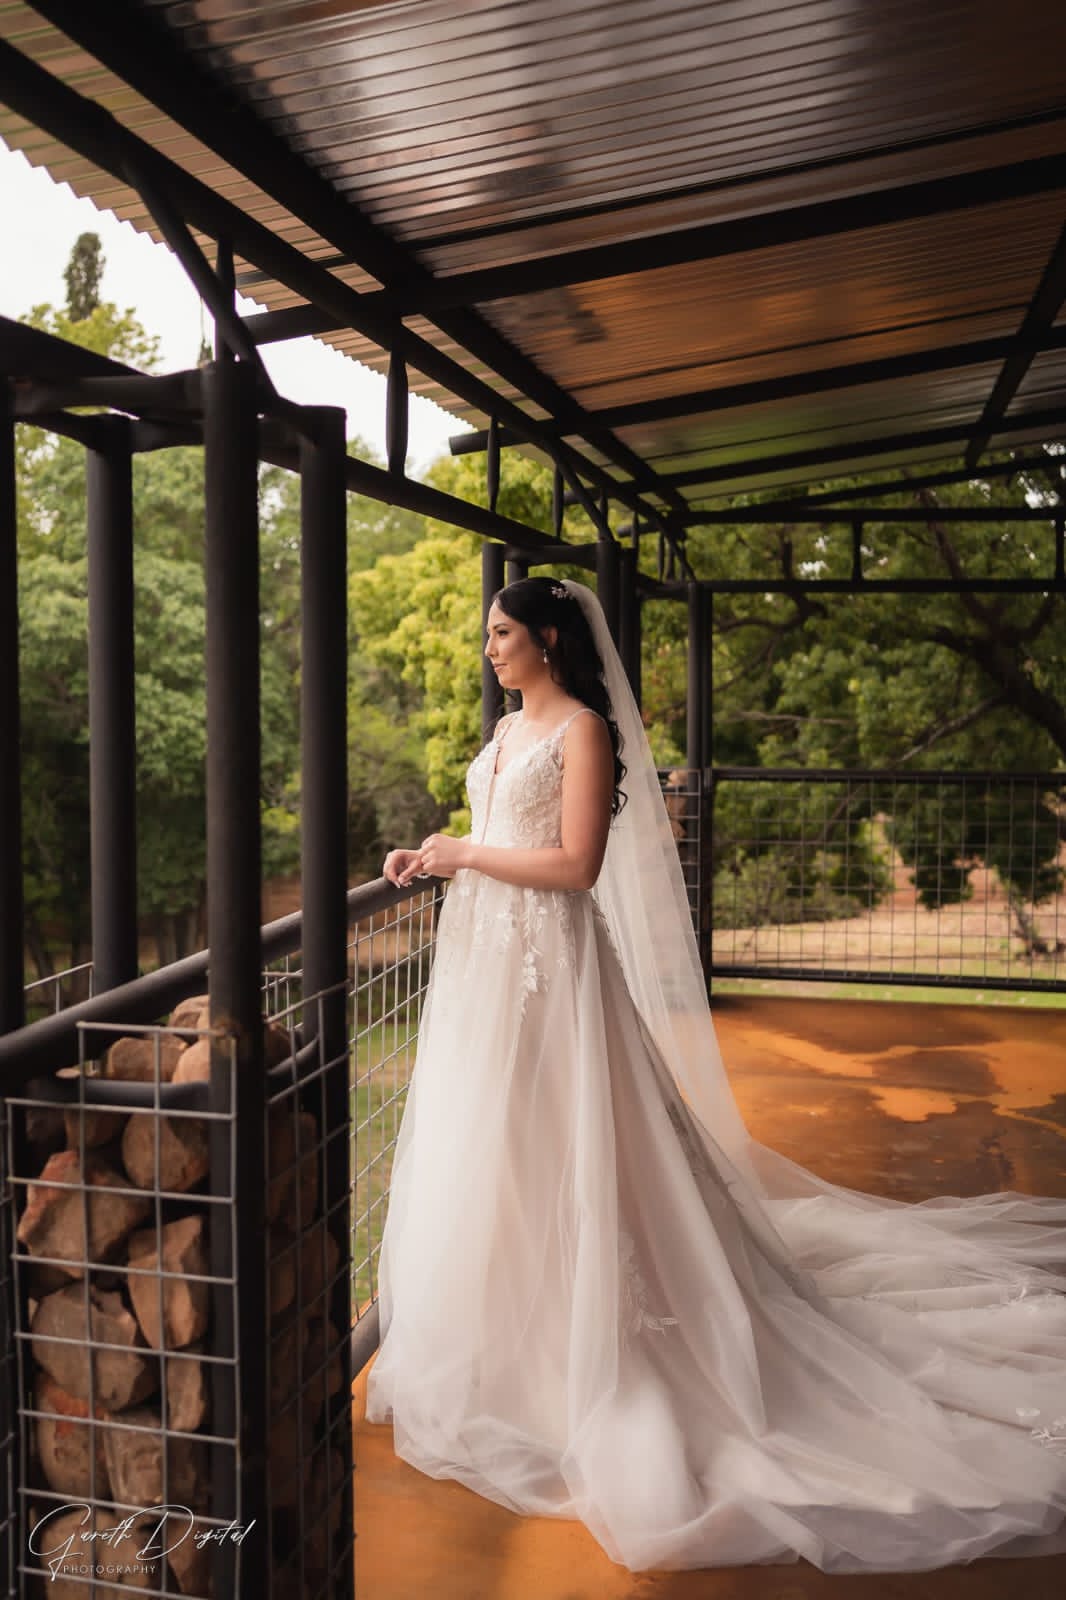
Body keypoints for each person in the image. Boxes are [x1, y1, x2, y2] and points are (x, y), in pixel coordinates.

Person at [365, 576, 1066, 1575]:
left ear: (550, 638)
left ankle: (599, 1351)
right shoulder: (508, 731)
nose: (489, 646)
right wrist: (430, 853)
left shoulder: (581, 731)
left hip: (554, 976)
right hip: (487, 970)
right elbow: (489, 835)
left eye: (501, 631)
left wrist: (465, 853)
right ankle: (506, 1343)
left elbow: (571, 864)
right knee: (501, 1151)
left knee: (572, 1146)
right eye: (489, 634)